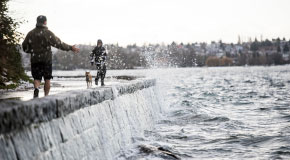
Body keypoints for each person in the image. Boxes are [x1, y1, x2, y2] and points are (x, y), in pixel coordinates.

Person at [22, 15, 79, 98]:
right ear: (45, 22)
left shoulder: (31, 33)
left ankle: (36, 89)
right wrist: (70, 47)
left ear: (37, 22)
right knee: (47, 79)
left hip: (35, 59)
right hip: (46, 60)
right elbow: (59, 44)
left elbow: (24, 47)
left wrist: (32, 51)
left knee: (37, 78)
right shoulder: (48, 33)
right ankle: (46, 96)